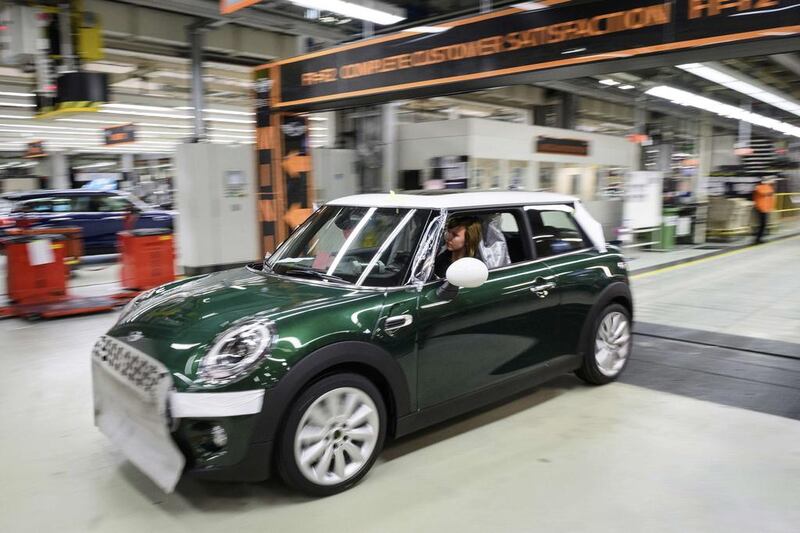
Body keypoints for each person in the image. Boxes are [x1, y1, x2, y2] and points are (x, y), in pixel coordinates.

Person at [752, 177, 776, 245]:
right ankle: (757, 239)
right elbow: (763, 193)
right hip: (761, 208)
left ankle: (759, 238)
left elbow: (770, 197)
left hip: (765, 208)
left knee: (763, 224)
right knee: (763, 224)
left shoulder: (767, 187)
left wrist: (770, 207)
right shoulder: (759, 187)